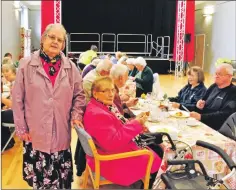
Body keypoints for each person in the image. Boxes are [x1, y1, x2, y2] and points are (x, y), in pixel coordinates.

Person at [12, 23, 86, 189]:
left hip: (61, 132)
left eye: (60, 40)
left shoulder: (71, 68)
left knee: (61, 182)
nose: (55, 42)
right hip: (35, 133)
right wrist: (22, 128)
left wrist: (76, 115)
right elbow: (17, 99)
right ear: (43, 39)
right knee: (40, 183)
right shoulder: (26, 65)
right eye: (52, 37)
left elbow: (79, 95)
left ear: (63, 45)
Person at [83, 76, 162, 188]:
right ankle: (150, 184)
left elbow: (117, 125)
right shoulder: (98, 114)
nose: (111, 94)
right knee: (156, 152)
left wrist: (135, 123)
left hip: (109, 150)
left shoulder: (101, 106)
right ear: (95, 93)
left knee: (155, 144)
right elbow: (112, 143)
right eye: (105, 91)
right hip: (111, 160)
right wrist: (136, 124)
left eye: (112, 90)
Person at [190, 64, 236, 130]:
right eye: (215, 73)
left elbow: (225, 115)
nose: (216, 76)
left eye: (219, 74)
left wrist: (201, 117)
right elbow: (202, 103)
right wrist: (198, 106)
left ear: (229, 76)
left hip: (216, 129)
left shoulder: (233, 92)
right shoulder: (213, 86)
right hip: (201, 123)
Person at [1, 63, 17, 151]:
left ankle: (4, 143)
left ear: (13, 71)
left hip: (19, 116)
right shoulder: (15, 83)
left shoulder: (16, 84)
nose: (5, 74)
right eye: (3, 72)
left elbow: (13, 105)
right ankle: (7, 141)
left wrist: (2, 99)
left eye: (7, 71)